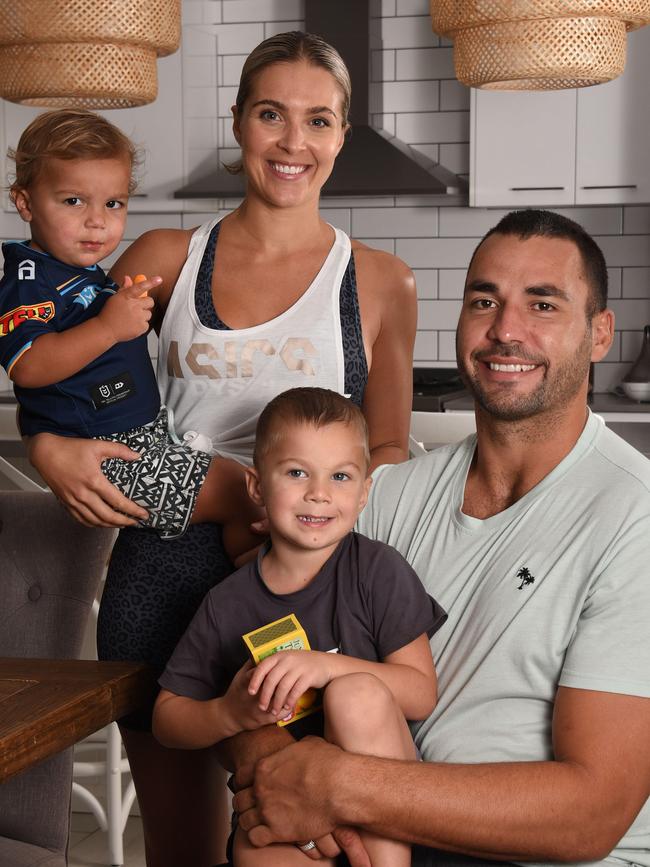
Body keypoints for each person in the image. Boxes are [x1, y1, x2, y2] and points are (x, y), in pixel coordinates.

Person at [25, 32, 418, 867]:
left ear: (343, 135)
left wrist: (310, 510)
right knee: (183, 850)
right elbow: (60, 368)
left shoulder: (379, 280)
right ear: (238, 122)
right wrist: (51, 451)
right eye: (271, 114)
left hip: (296, 592)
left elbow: (387, 443)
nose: (292, 142)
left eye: (319, 121)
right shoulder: (168, 258)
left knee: (297, 832)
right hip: (159, 574)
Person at [231, 209, 650, 867]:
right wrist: (271, 765)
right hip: (379, 836)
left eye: (542, 304)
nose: (506, 331)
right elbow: (255, 636)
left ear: (599, 333)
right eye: (484, 300)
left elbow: (592, 814)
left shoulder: (635, 516)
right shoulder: (387, 495)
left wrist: (336, 784)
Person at [153, 387, 446, 867]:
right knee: (251, 848)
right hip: (288, 805)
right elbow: (168, 719)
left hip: (377, 796)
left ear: (364, 491)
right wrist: (230, 714)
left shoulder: (377, 570)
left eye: (340, 476)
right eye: (296, 472)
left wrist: (322, 668)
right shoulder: (226, 603)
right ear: (256, 487)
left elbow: (420, 692)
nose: (319, 493)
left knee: (356, 694)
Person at [0, 109, 262, 559]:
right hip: (109, 458)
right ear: (24, 202)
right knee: (249, 498)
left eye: (113, 203)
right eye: (72, 201)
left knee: (257, 493)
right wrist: (108, 326)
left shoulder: (74, 271)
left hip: (139, 437)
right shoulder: (29, 280)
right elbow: (28, 366)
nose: (97, 221)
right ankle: (256, 603)